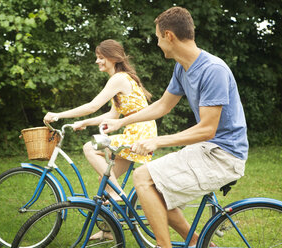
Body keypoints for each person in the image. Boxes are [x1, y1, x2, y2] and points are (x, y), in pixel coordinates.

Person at [101, 7, 248, 248]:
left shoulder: (213, 70)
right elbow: (162, 105)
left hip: (224, 155)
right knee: (150, 188)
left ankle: (164, 245)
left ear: (169, 35)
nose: (158, 43)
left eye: (158, 37)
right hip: (208, 149)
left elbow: (207, 129)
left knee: (143, 178)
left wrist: (158, 141)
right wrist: (122, 121)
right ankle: (199, 244)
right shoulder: (182, 67)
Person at [44, 39, 157, 240]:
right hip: (138, 133)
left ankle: (116, 196)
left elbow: (92, 105)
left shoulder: (119, 78)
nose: (97, 61)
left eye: (101, 57)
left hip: (138, 134)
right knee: (104, 178)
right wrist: (85, 123)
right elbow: (113, 116)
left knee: (89, 147)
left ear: (113, 58)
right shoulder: (122, 80)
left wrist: (59, 115)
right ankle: (108, 231)